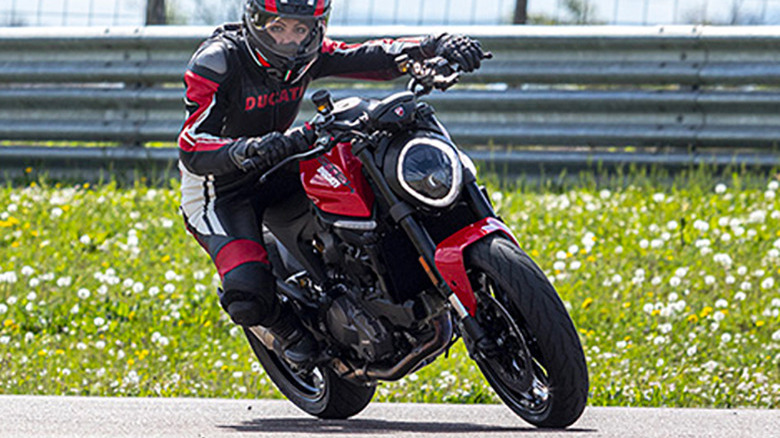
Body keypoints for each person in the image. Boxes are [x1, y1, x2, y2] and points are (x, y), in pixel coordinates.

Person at [178, 0, 487, 365]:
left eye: (300, 29)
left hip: (281, 162)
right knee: (247, 293)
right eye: (277, 28)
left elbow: (371, 56)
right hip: (220, 190)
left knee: (361, 182)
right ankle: (288, 330)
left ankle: (376, 282)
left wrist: (436, 43)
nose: (290, 40)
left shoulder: (309, 56)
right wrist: (252, 147)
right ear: (254, 22)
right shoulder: (218, 61)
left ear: (316, 27)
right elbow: (191, 145)